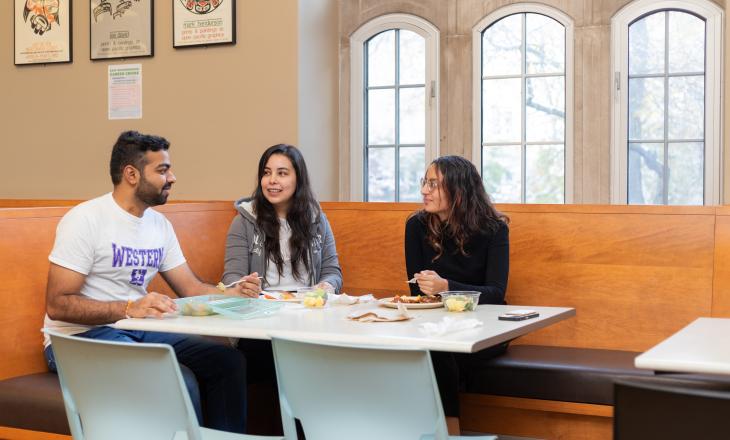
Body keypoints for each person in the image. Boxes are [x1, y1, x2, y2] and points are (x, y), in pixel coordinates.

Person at [43, 131, 249, 434]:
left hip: (135, 330)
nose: (173, 177)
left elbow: (190, 289)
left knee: (228, 363)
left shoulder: (159, 225)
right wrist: (129, 307)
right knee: (178, 378)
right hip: (76, 339)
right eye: (163, 170)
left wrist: (232, 294)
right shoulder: (85, 220)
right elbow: (57, 304)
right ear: (131, 174)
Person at [405, 155, 509, 434]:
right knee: (427, 350)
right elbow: (416, 291)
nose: (424, 191)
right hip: (435, 324)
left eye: (433, 184)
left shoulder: (494, 229)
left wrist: (447, 287)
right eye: (424, 183)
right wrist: (432, 290)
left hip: (486, 327)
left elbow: (496, 294)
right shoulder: (416, 226)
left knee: (437, 354)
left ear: (458, 191)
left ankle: (448, 432)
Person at [222, 143, 342, 386]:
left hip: (307, 315)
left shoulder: (317, 219)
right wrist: (243, 286)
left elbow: (333, 271)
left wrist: (327, 286)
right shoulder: (244, 221)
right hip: (261, 320)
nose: (272, 180)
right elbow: (230, 278)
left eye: (282, 173)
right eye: (266, 173)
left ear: (299, 179)